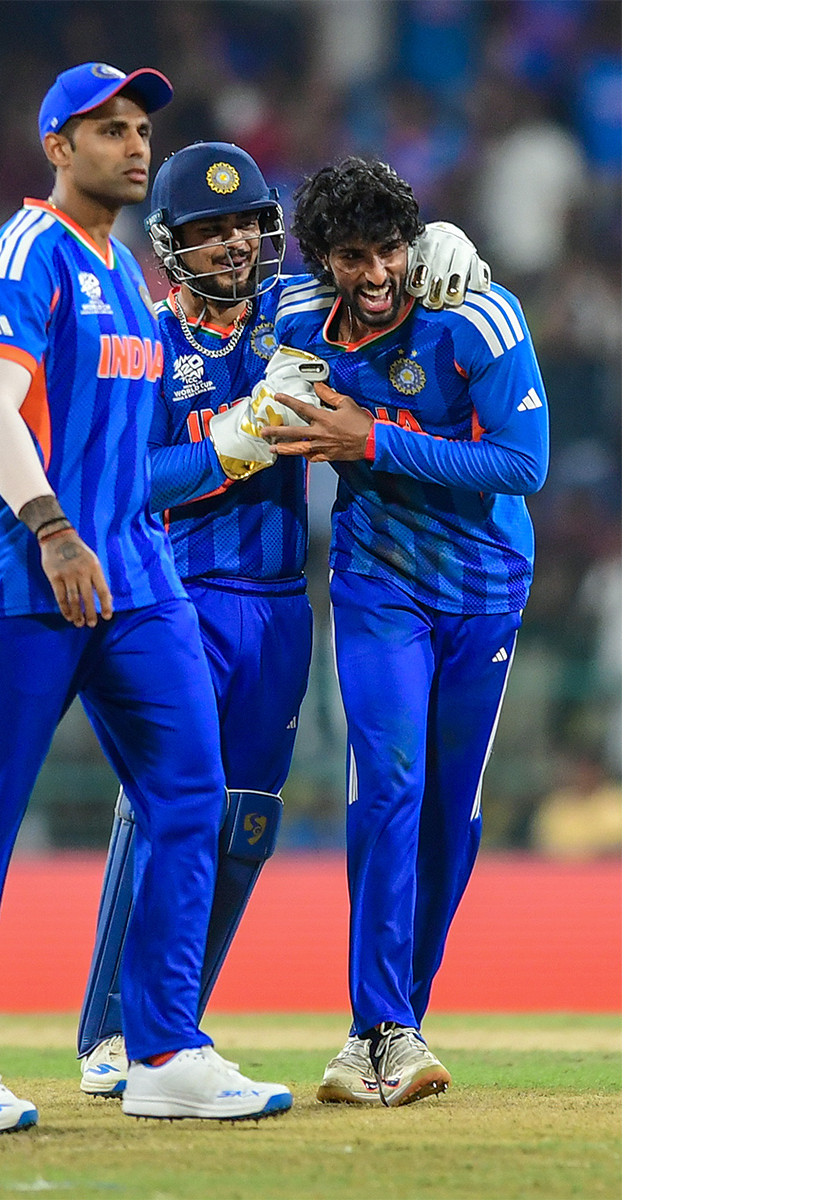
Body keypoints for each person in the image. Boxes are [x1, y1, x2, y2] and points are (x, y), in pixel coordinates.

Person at [0, 63, 292, 1137]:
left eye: (140, 130)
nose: (134, 146)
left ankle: (161, 1050)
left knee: (191, 797)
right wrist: (51, 527)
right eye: (109, 129)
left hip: (139, 579)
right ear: (57, 147)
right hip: (28, 579)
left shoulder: (124, 271)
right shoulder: (22, 254)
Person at [73, 141, 494, 1097]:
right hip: (175, 595)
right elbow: (127, 480)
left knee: (247, 822)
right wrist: (230, 443)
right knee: (165, 804)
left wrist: (446, 240)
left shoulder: (294, 312)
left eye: (245, 225)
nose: (232, 245)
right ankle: (112, 1032)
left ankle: (173, 1029)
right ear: (171, 244)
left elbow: (381, 271)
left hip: (277, 607)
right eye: (209, 230)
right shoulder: (143, 340)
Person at [259, 157, 550, 1108]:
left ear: (412, 242)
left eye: (390, 249)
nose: (376, 272)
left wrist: (372, 441)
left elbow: (525, 464)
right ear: (324, 260)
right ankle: (378, 1026)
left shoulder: (476, 314)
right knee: (390, 784)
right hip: (378, 582)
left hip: (484, 587)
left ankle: (393, 1025)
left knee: (450, 817)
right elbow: (203, 312)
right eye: (353, 255)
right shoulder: (295, 316)